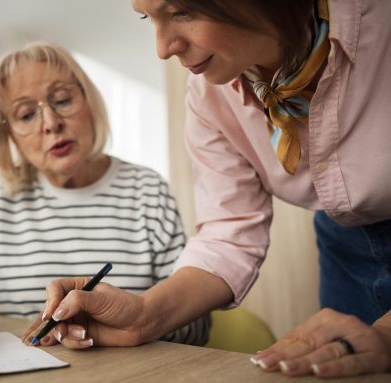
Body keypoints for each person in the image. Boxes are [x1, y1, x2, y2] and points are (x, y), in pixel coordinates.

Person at [28, 0, 391, 378]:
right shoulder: (207, 95)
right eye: (147, 18)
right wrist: (144, 315)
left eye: (181, 12)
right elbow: (228, 235)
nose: (163, 48)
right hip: (346, 246)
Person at [0, 42, 210, 351]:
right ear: (8, 136)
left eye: (62, 99)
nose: (51, 123)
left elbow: (197, 322)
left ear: (89, 101)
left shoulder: (147, 191)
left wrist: (130, 321)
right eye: (26, 115)